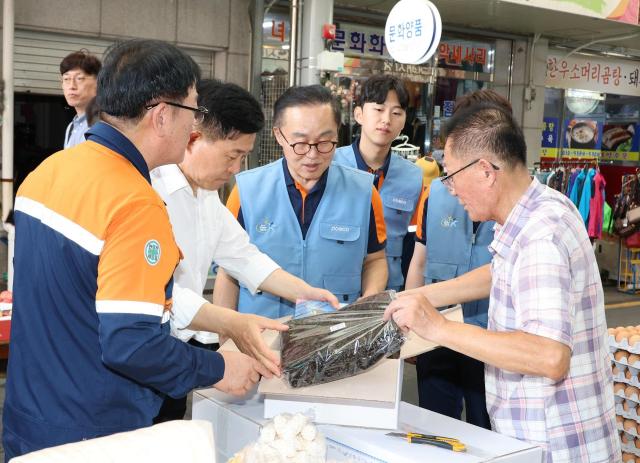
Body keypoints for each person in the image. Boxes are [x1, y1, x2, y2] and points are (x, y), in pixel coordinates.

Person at [3, 39, 266, 459]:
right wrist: (218, 368)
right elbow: (132, 344)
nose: (195, 125)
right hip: (95, 432)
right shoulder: (136, 204)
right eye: (194, 110)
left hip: (28, 418)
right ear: (163, 115)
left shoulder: (46, 172)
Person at [384, 103, 620, 462]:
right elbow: (501, 272)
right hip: (543, 434)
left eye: (450, 176)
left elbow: (549, 355)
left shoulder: (541, 234)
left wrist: (438, 327)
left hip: (555, 445)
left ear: (485, 171)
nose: (449, 189)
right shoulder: (538, 207)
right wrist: (421, 295)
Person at [150, 79, 339, 422]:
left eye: (243, 157)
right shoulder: (150, 191)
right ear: (193, 138)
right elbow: (155, 293)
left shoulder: (207, 197)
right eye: (232, 155)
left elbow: (246, 259)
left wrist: (307, 293)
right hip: (146, 350)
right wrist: (235, 323)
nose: (236, 169)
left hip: (177, 351)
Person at [216, 85, 388, 317]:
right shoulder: (246, 192)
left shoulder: (364, 193)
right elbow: (228, 273)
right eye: (300, 143)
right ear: (279, 135)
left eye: (325, 142)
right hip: (260, 336)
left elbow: (375, 260)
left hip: (334, 338)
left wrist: (368, 303)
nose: (312, 155)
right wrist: (227, 336)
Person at [405, 89, 512, 430]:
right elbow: (419, 262)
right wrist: (410, 329)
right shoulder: (437, 192)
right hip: (437, 336)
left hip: (495, 344)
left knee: (489, 431)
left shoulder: (522, 204)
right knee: (435, 429)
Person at [333, 75, 423, 291]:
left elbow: (412, 244)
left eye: (396, 113)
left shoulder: (413, 177)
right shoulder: (331, 165)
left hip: (388, 294)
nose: (387, 120)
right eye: (379, 109)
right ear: (359, 114)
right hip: (336, 291)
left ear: (404, 122)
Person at [60, 49, 101, 148]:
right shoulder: (71, 127)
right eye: (66, 79)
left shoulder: (104, 124)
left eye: (79, 78)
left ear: (98, 83)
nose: (72, 86)